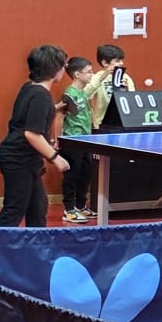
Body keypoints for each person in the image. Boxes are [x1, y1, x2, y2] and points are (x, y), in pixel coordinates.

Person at [0, 46, 71, 229]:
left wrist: (56, 108)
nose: (64, 69)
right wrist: (56, 158)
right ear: (55, 69)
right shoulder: (41, 96)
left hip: (26, 158)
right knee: (15, 208)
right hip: (18, 158)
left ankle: (37, 244)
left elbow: (31, 120)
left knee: (37, 207)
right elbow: (31, 134)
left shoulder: (30, 87)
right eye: (63, 65)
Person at [57, 58, 98, 224]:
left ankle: (81, 206)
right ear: (77, 74)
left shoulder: (83, 92)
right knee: (72, 175)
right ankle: (69, 209)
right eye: (89, 72)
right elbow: (59, 117)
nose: (92, 74)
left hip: (85, 139)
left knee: (86, 173)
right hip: (72, 139)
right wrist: (58, 139)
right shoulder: (69, 95)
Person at [87, 46, 133, 132]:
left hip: (124, 124)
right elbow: (85, 95)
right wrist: (94, 122)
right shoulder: (96, 78)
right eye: (117, 61)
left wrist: (126, 90)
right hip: (102, 124)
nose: (122, 63)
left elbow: (132, 102)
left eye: (122, 60)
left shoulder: (126, 78)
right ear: (105, 63)